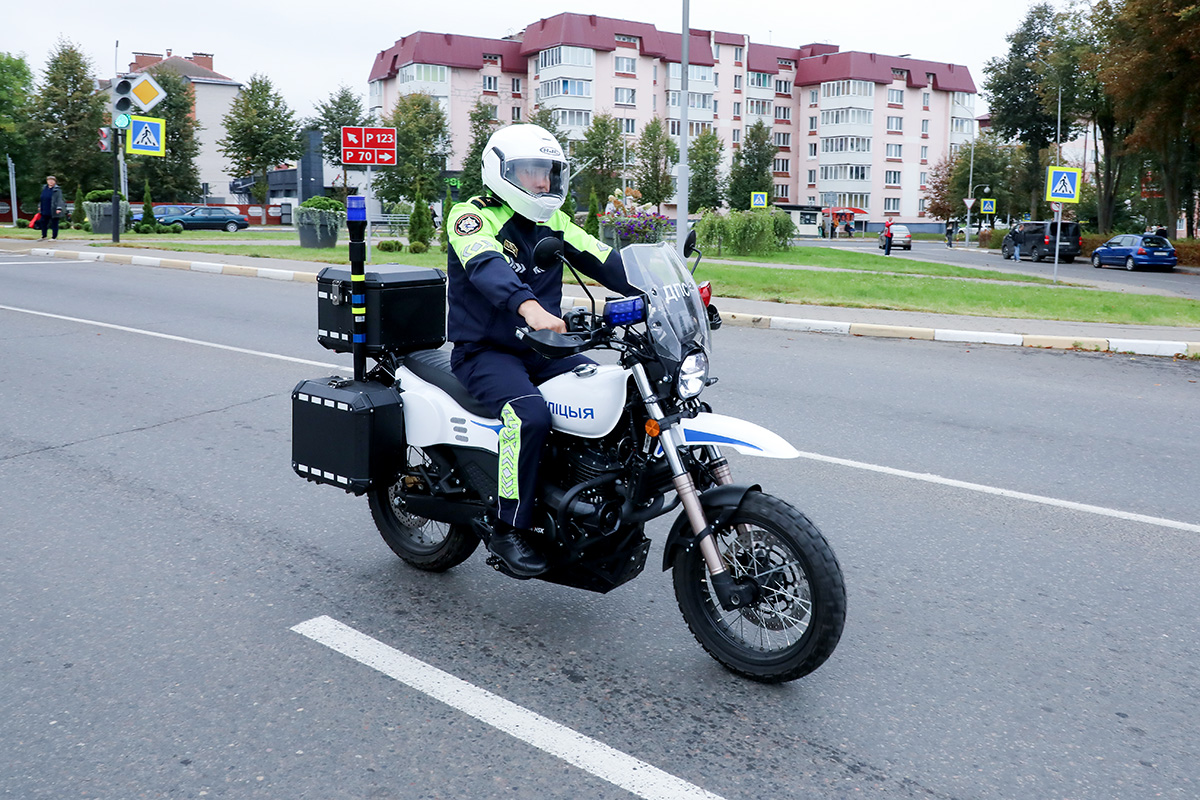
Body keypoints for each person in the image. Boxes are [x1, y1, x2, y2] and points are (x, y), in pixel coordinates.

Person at [445, 124, 634, 577]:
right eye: (532, 171)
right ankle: (508, 525)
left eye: (549, 172)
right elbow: (487, 266)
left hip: (544, 348)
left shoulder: (555, 221)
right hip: (485, 352)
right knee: (527, 415)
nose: (544, 182)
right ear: (502, 172)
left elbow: (604, 260)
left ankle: (582, 495)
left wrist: (664, 290)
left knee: (613, 395)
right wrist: (529, 308)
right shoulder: (471, 216)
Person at [38, 176, 66, 240]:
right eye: (49, 180)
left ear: (55, 182)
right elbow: (42, 198)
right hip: (45, 208)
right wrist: (39, 206)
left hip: (53, 209)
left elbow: (59, 199)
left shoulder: (57, 190)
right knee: (43, 222)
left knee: (54, 223)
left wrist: (59, 208)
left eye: (52, 180)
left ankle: (54, 237)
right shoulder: (44, 188)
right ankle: (44, 236)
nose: (50, 182)